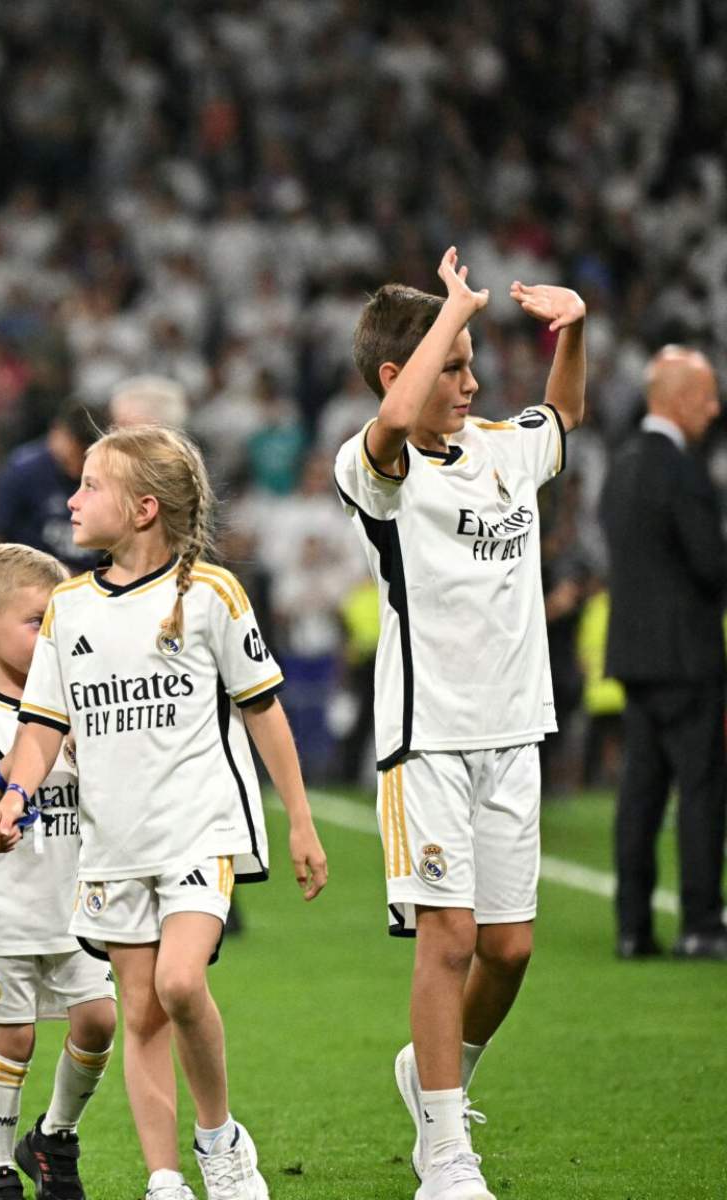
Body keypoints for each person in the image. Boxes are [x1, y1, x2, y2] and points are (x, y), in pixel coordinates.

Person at [0, 424, 327, 1200]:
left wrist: (300, 820)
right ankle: (165, 1179)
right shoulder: (69, 607)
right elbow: (43, 726)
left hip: (199, 827)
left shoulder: (211, 594)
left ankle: (219, 1138)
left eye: (89, 487)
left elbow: (264, 710)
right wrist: (14, 795)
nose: (71, 501)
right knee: (138, 1009)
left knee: (179, 983)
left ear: (143, 509)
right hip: (113, 843)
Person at [331, 248, 586, 1200]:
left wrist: (575, 331)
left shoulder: (500, 446)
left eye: (475, 360)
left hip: (514, 731)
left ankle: (435, 1078)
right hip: (426, 737)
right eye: (454, 362)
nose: (473, 379)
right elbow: (393, 423)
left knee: (509, 950)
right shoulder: (375, 471)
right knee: (447, 940)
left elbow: (564, 416)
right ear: (401, 374)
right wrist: (452, 307)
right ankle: (444, 1155)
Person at [0, 544, 116, 1200]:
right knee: (14, 1034)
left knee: (98, 1021)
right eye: (37, 622)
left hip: (78, 905)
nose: (51, 637)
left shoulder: (84, 702)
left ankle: (54, 1136)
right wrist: (14, 766)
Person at [599, 346, 727, 959]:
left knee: (640, 795)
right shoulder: (682, 469)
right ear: (676, 399)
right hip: (687, 660)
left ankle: (631, 927)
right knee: (701, 791)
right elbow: (708, 565)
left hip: (633, 657)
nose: (714, 407)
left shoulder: (619, 465)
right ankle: (701, 923)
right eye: (706, 396)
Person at [0, 403, 97, 573]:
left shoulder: (108, 469)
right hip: (33, 580)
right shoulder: (23, 471)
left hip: (93, 582)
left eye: (85, 457)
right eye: (75, 456)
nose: (78, 468)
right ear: (57, 436)